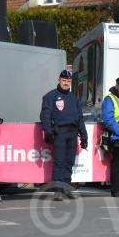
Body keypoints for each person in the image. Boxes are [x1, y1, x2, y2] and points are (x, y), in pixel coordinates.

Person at [40, 70, 88, 201]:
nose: (66, 83)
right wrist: (48, 131)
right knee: (59, 162)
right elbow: (45, 116)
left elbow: (80, 118)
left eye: (68, 81)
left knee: (69, 162)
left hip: (72, 134)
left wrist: (84, 136)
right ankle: (58, 190)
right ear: (59, 80)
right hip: (59, 134)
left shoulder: (74, 98)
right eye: (64, 80)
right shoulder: (50, 96)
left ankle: (67, 188)